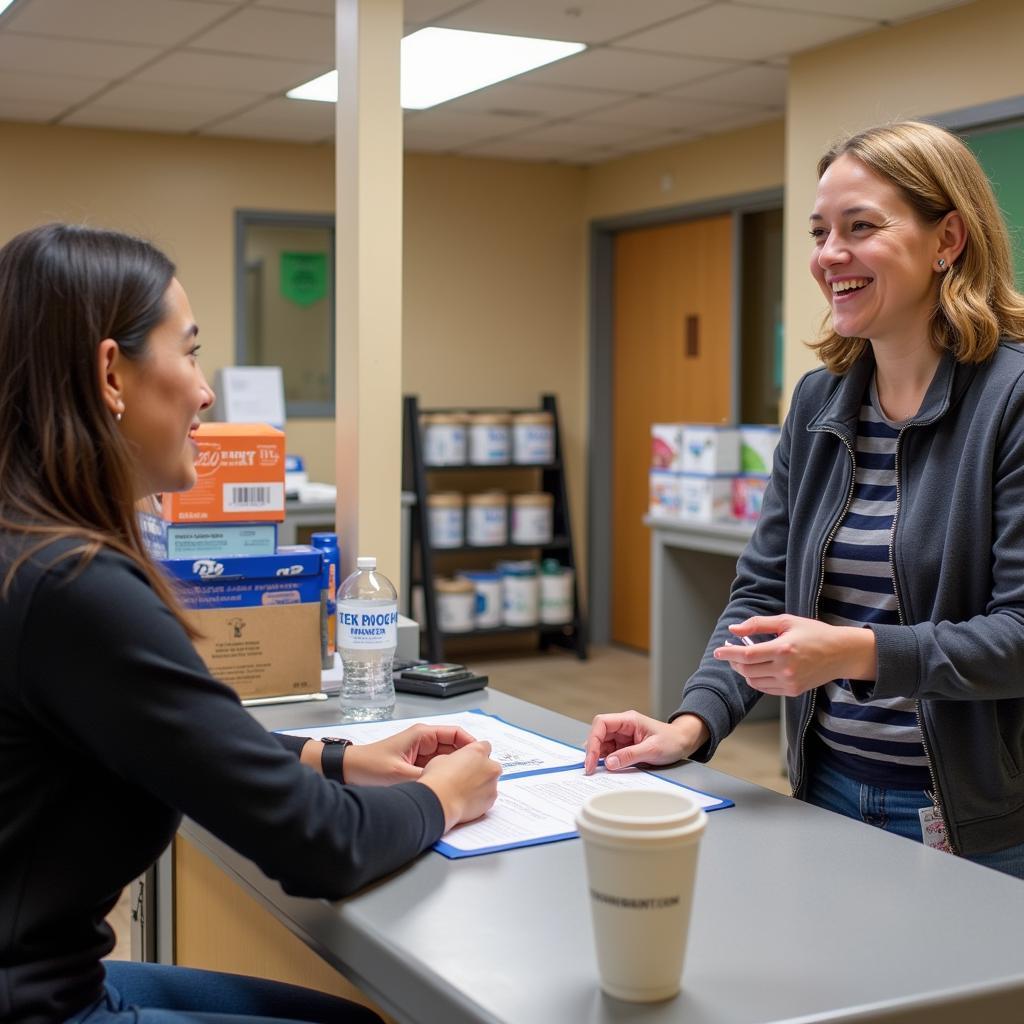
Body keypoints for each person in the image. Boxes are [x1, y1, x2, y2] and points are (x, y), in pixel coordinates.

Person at [0, 223, 502, 1024]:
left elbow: (166, 732)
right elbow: (319, 848)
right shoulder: (72, 586)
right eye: (189, 353)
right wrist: (445, 798)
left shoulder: (29, 552)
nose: (205, 393)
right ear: (111, 374)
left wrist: (334, 755)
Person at [585, 120, 1024, 878]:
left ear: (947, 238)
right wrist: (692, 723)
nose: (829, 256)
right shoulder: (822, 402)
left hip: (978, 821)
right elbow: (759, 591)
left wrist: (855, 653)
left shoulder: (1011, 401)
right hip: (825, 787)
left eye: (861, 227)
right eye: (820, 232)